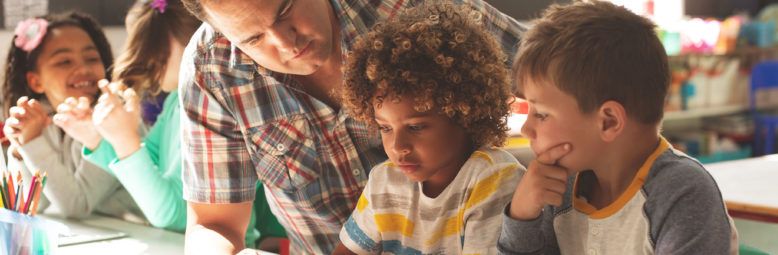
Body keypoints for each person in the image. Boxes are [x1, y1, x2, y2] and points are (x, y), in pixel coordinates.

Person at [178, 0, 526, 253]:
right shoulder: (211, 67)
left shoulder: (415, 10)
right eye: (253, 38)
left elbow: (564, 74)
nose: (287, 43)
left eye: (285, 10)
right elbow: (214, 224)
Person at [496, 2, 738, 254]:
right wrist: (522, 215)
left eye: (542, 114)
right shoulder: (560, 187)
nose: (526, 129)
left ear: (608, 121)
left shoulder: (683, 194)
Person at [52, 0, 286, 250]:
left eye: (153, 43)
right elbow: (148, 161)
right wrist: (96, 138)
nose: (147, 58)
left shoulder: (211, 101)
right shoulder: (175, 101)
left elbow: (173, 215)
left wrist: (125, 141)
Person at [332, 3, 524, 254]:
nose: (397, 146)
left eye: (416, 126)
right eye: (385, 128)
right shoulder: (384, 182)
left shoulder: (494, 179)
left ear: (464, 113)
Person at [1, 12, 145, 221]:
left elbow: (77, 205)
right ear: (35, 81)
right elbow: (24, 205)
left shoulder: (117, 119)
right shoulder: (46, 122)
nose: (84, 68)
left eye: (92, 58)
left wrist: (32, 143)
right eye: (64, 61)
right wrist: (20, 149)